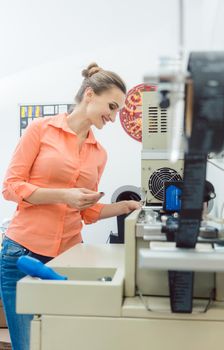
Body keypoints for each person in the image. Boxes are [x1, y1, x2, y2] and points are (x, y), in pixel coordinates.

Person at [0, 63, 141, 350]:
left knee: (61, 342)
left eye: (117, 111)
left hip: (67, 258)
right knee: (27, 345)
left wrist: (123, 206)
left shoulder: (99, 153)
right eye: (111, 107)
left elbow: (87, 212)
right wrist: (64, 195)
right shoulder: (40, 130)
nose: (113, 117)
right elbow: (11, 187)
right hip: (22, 253)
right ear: (90, 94)